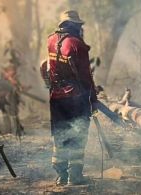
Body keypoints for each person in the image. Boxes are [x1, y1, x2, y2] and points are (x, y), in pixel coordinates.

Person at [40, 10, 98, 186]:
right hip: (75, 98)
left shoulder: (51, 40)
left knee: (60, 135)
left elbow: (45, 67)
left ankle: (61, 176)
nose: (81, 29)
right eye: (79, 26)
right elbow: (85, 76)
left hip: (56, 98)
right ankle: (75, 176)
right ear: (74, 26)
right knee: (78, 134)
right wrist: (92, 98)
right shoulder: (77, 45)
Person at [0, 63, 25, 136]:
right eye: (10, 70)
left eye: (12, 70)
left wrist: (17, 87)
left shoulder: (8, 77)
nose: (11, 72)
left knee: (13, 112)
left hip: (11, 96)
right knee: (5, 113)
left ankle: (17, 130)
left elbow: (14, 86)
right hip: (3, 97)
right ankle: (9, 131)